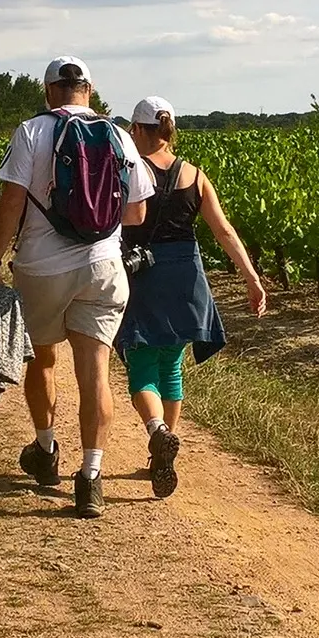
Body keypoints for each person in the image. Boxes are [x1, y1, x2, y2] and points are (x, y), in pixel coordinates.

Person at [0, 56, 154, 519]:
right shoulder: (118, 135)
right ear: (89, 90)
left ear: (48, 91)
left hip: (41, 268)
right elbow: (137, 212)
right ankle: (91, 477)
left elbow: (11, 200)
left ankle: (46, 448)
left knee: (41, 359)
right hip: (103, 267)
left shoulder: (31, 132)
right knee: (95, 371)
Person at [115, 96, 266, 499]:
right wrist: (251, 278)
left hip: (144, 275)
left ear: (140, 130)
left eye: (132, 129)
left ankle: (158, 432)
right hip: (186, 276)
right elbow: (223, 230)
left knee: (141, 365)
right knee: (171, 365)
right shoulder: (195, 175)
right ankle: (163, 454)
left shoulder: (130, 172)